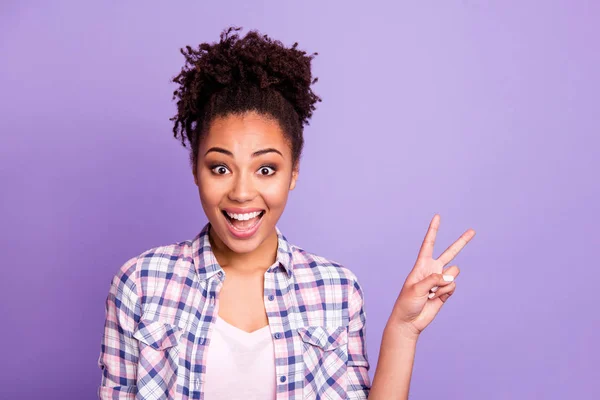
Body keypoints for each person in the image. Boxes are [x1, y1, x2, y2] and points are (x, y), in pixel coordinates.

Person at [97, 26, 476, 400]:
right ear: (195, 169)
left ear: (293, 173)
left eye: (266, 169)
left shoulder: (335, 290)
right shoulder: (142, 283)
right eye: (220, 168)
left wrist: (403, 330)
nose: (242, 193)